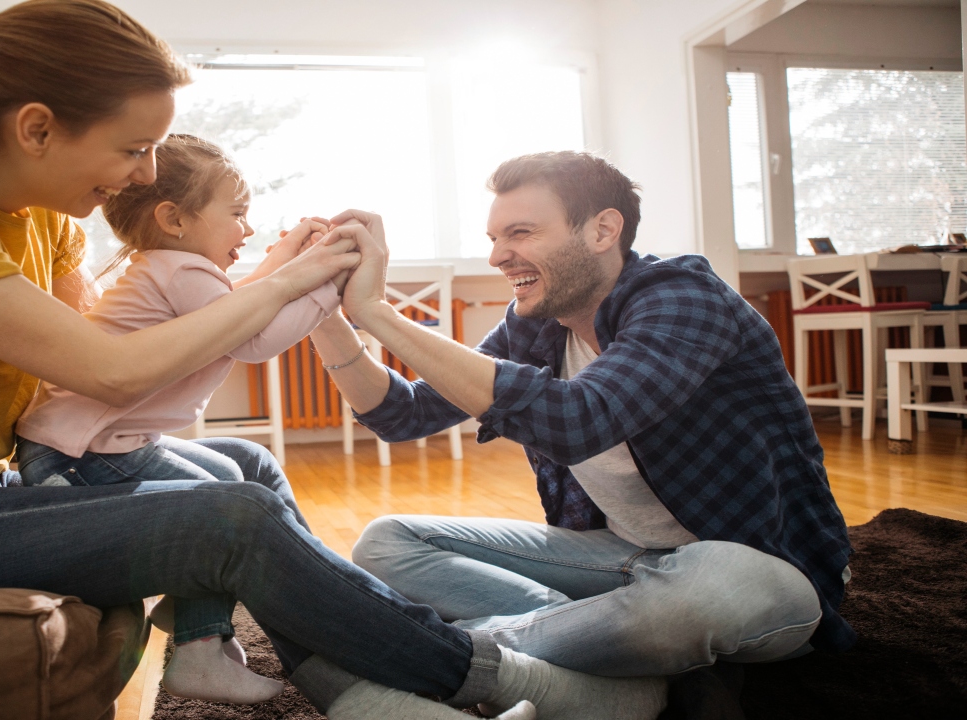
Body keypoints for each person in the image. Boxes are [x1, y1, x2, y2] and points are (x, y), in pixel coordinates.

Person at [0, 3, 662, 718]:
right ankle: (491, 677)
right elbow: (110, 372)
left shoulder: (39, 216)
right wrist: (294, 281)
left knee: (245, 464)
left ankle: (339, 677)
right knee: (232, 520)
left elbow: (93, 357)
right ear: (37, 128)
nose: (142, 174)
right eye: (134, 148)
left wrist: (278, 275)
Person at [310, 151, 855, 684]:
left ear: (602, 231)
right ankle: (578, 640)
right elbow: (402, 414)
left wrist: (376, 313)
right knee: (386, 542)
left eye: (520, 233)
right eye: (494, 238)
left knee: (713, 589)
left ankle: (466, 652)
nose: (498, 257)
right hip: (622, 560)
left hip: (754, 567)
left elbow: (580, 421)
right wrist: (322, 310)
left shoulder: (685, 298)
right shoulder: (536, 324)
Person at [14, 133, 343, 704]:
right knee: (223, 507)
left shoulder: (172, 266)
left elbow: (245, 301)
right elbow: (254, 337)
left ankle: (194, 612)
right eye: (237, 213)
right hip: (80, 455)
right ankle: (198, 652)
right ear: (174, 219)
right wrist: (330, 289)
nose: (247, 229)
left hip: (80, 445)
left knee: (230, 474)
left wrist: (293, 253)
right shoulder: (184, 272)